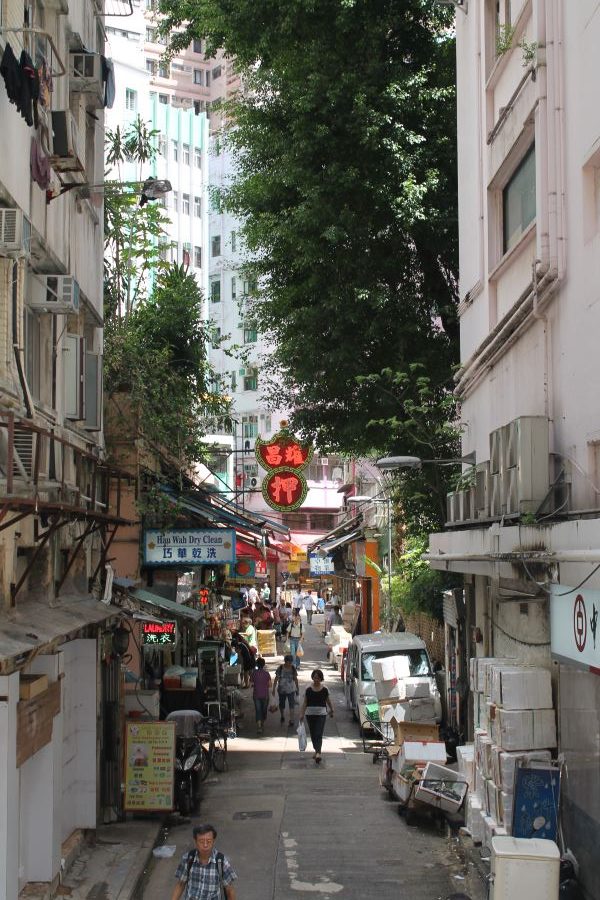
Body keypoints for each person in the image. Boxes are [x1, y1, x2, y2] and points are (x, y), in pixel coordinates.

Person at [171, 823, 237, 900]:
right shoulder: (188, 858)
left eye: (208, 841)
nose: (205, 845)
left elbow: (230, 890)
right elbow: (181, 884)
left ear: (213, 841)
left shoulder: (221, 862)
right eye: (201, 841)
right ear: (195, 842)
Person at [299, 669, 334, 764]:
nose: (316, 680)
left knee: (318, 733)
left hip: (321, 714)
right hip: (310, 714)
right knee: (313, 734)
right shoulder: (308, 689)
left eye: (318, 678)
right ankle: (316, 750)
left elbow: (328, 700)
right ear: (312, 678)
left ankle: (318, 753)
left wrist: (332, 709)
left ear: (321, 678)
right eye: (314, 678)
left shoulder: (325, 689)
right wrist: (301, 714)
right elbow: (305, 702)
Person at [272, 654, 299, 727]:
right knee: (282, 704)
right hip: (282, 691)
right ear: (285, 661)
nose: (290, 663)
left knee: (291, 705)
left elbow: (295, 679)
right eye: (289, 662)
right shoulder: (280, 668)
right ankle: (282, 715)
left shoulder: (293, 668)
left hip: (291, 690)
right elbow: (276, 679)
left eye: (291, 662)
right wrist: (273, 688)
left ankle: (292, 720)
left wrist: (297, 688)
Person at [251, 657, 271, 734]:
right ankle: (261, 722)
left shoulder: (253, 673)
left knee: (258, 710)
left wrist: (256, 684)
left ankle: (259, 726)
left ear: (257, 664)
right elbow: (270, 685)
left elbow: (251, 684)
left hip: (256, 695)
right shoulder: (266, 674)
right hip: (265, 695)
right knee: (264, 710)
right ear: (263, 665)